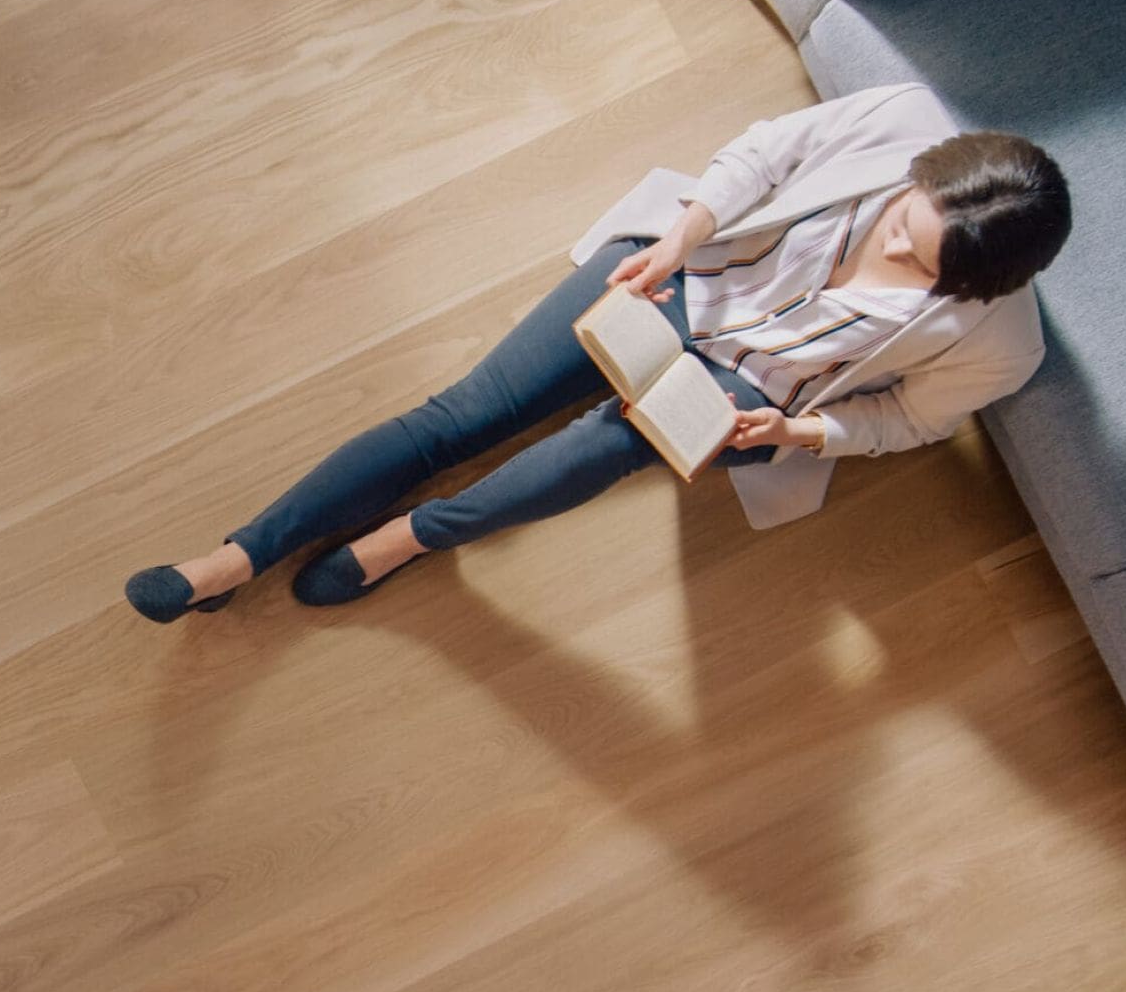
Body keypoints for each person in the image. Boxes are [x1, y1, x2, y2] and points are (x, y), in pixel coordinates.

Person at [124, 82, 1073, 621]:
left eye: (923, 265)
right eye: (906, 222)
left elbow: (907, 419)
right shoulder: (905, 123)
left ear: (979, 285)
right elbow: (764, 155)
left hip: (747, 384)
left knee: (603, 448)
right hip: (683, 275)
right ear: (924, 176)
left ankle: (408, 538)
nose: (899, 247)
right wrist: (677, 234)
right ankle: (235, 560)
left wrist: (803, 431)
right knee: (464, 415)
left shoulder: (1001, 342)